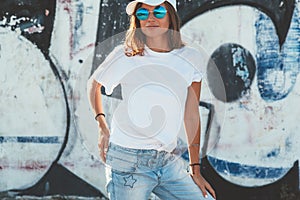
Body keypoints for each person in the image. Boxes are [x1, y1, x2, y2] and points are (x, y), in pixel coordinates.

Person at [87, 0, 216, 199]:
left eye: (158, 11)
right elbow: (93, 85)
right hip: (127, 159)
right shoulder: (126, 54)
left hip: (165, 160)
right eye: (142, 14)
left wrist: (195, 169)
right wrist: (102, 126)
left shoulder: (190, 58)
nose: (150, 18)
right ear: (136, 21)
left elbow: (191, 116)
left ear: (170, 15)